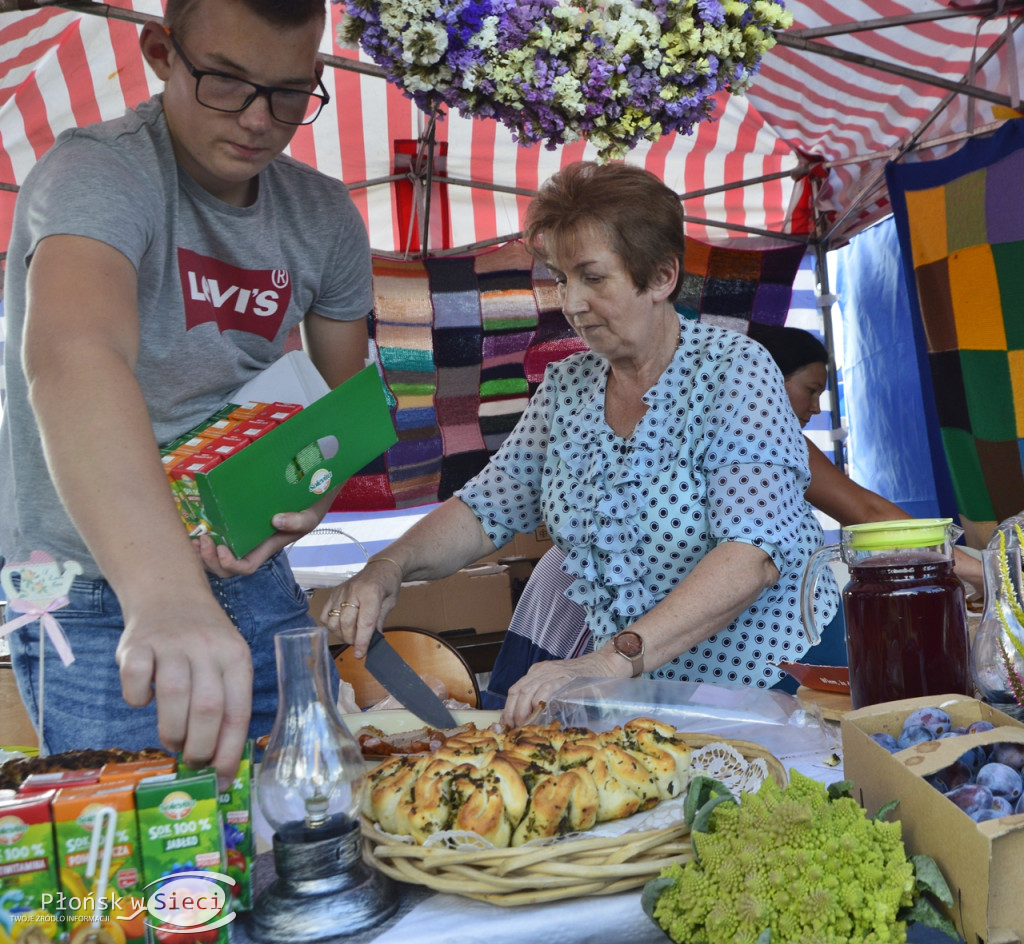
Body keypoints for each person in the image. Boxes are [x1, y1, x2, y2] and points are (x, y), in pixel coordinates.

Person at [0, 0, 372, 781]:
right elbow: (74, 353)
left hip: (254, 574)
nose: (258, 120)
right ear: (162, 53)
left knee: (314, 828)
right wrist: (164, 593)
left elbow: (345, 405)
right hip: (92, 590)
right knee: (141, 877)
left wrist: (315, 493)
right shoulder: (94, 171)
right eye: (226, 83)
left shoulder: (323, 212)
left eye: (290, 94)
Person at [323, 161, 837, 726]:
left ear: (662, 277)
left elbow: (751, 557)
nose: (571, 303)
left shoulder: (734, 370)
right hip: (646, 694)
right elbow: (482, 510)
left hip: (768, 682)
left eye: (592, 277)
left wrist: (612, 659)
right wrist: (388, 566)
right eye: (562, 279)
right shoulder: (568, 386)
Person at [482, 321, 983, 707]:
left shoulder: (692, 416)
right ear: (769, 376)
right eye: (809, 390)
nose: (813, 407)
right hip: (626, 623)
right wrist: (979, 569)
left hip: (614, 620)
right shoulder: (742, 408)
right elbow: (866, 512)